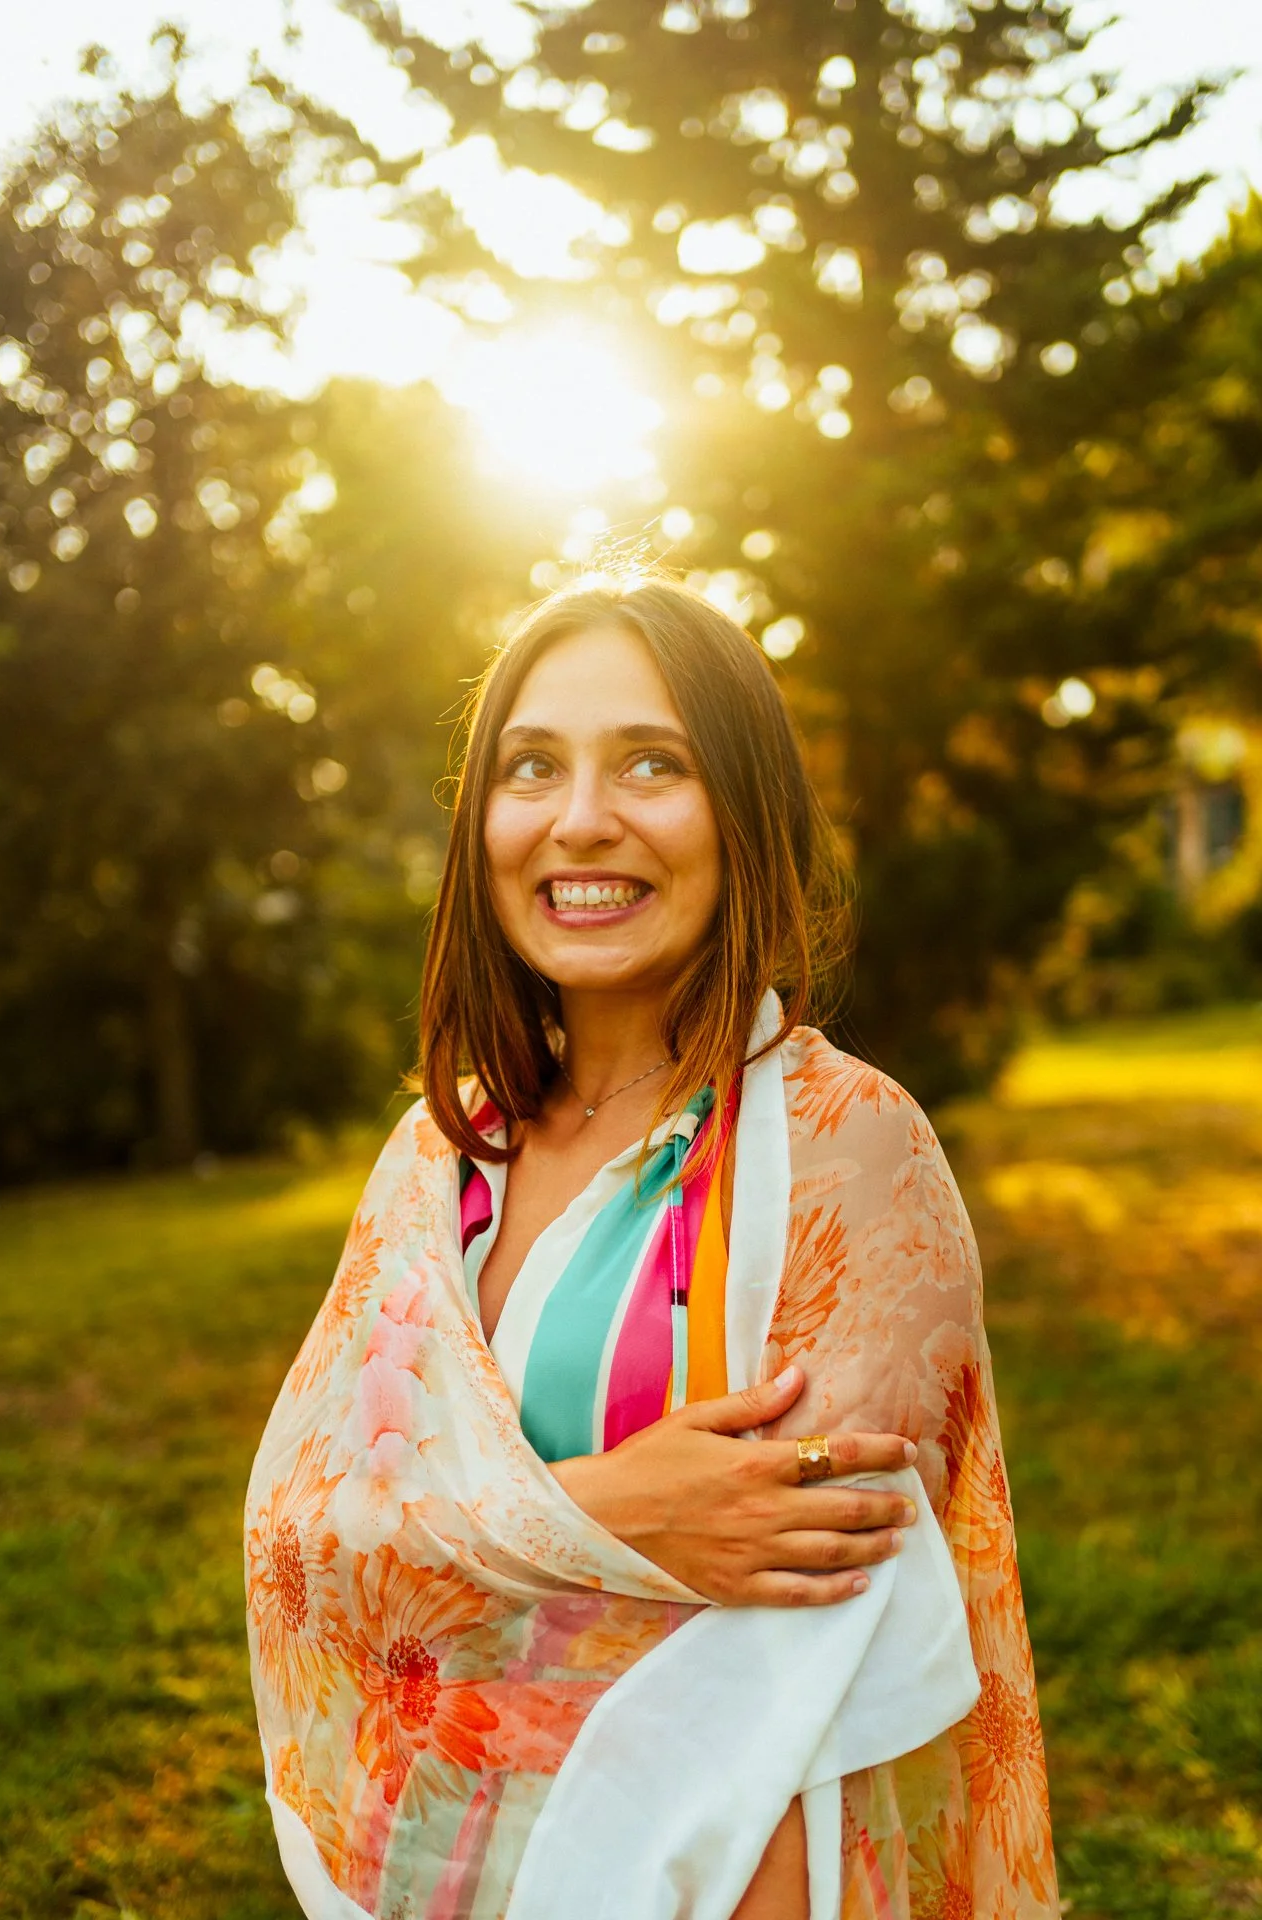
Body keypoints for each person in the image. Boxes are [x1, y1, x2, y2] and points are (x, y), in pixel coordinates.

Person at [246, 576, 1058, 1920]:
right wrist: (606, 1513)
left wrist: (466, 1544)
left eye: (651, 762)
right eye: (532, 767)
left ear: (746, 813)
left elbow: (815, 1616)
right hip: (444, 1853)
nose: (580, 820)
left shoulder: (845, 1140)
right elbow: (305, 1527)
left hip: (711, 1871)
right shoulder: (439, 1158)